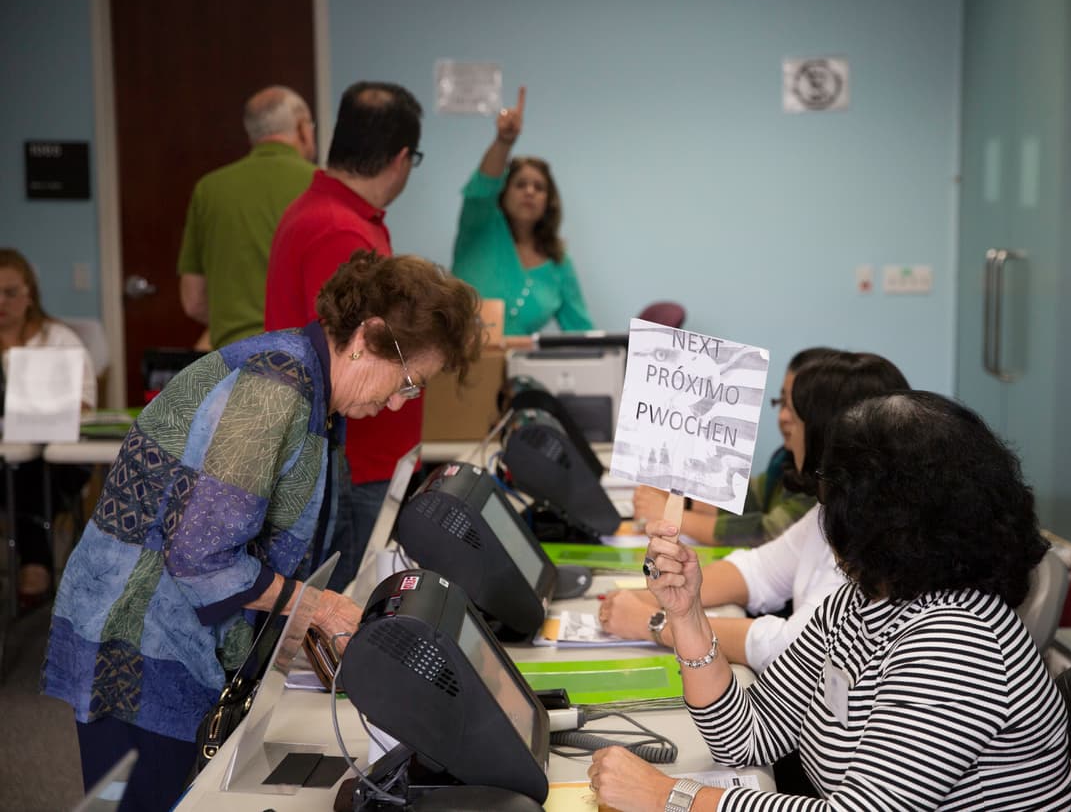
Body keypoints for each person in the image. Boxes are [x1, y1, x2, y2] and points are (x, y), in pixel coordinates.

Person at [43, 251, 484, 812]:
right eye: (408, 382)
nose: (398, 402)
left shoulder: (310, 385)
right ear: (368, 337)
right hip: (137, 645)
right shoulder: (274, 387)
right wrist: (315, 607)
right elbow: (202, 557)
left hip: (173, 635)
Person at [588, 391, 1071, 811]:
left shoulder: (960, 643)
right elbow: (745, 738)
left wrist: (669, 797)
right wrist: (686, 615)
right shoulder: (863, 601)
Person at [599, 352, 908, 672]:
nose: (784, 419)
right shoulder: (830, 509)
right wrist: (657, 597)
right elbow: (757, 571)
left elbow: (792, 647)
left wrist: (656, 622)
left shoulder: (872, 537)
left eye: (793, 409)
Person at [264, 80, 425, 593]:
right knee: (342, 610)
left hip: (361, 456)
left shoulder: (341, 217)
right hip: (353, 461)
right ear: (401, 159)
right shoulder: (339, 231)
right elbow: (355, 363)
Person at [630, 347, 834, 547]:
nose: (783, 417)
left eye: (795, 406)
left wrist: (673, 516)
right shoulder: (784, 461)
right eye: (782, 403)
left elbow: (769, 533)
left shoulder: (825, 481)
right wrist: (682, 499)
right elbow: (750, 499)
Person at [177, 85, 317, 349]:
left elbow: (193, 300)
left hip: (231, 358)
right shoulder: (321, 185)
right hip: (301, 359)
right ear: (301, 128)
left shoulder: (209, 189)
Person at [451, 87, 594, 335]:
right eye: (520, 184)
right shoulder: (480, 228)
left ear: (549, 201)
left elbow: (580, 329)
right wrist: (504, 142)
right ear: (503, 193)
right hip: (458, 366)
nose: (529, 192)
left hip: (519, 369)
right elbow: (482, 188)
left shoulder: (558, 259)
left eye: (539, 187)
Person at [0, 248, 96, 605]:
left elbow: (86, 406)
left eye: (10, 292)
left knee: (29, 468)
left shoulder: (58, 339)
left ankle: (36, 563)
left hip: (58, 464)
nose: (2, 302)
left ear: (29, 295)